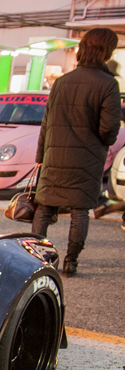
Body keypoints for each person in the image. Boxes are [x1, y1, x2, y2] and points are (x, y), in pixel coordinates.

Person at [32, 27, 122, 275]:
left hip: (54, 156)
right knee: (80, 210)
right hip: (87, 157)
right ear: (106, 52)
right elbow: (109, 128)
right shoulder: (108, 84)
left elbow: (46, 123)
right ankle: (71, 261)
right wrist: (103, 143)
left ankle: (36, 257)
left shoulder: (62, 82)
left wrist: (40, 157)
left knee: (44, 208)